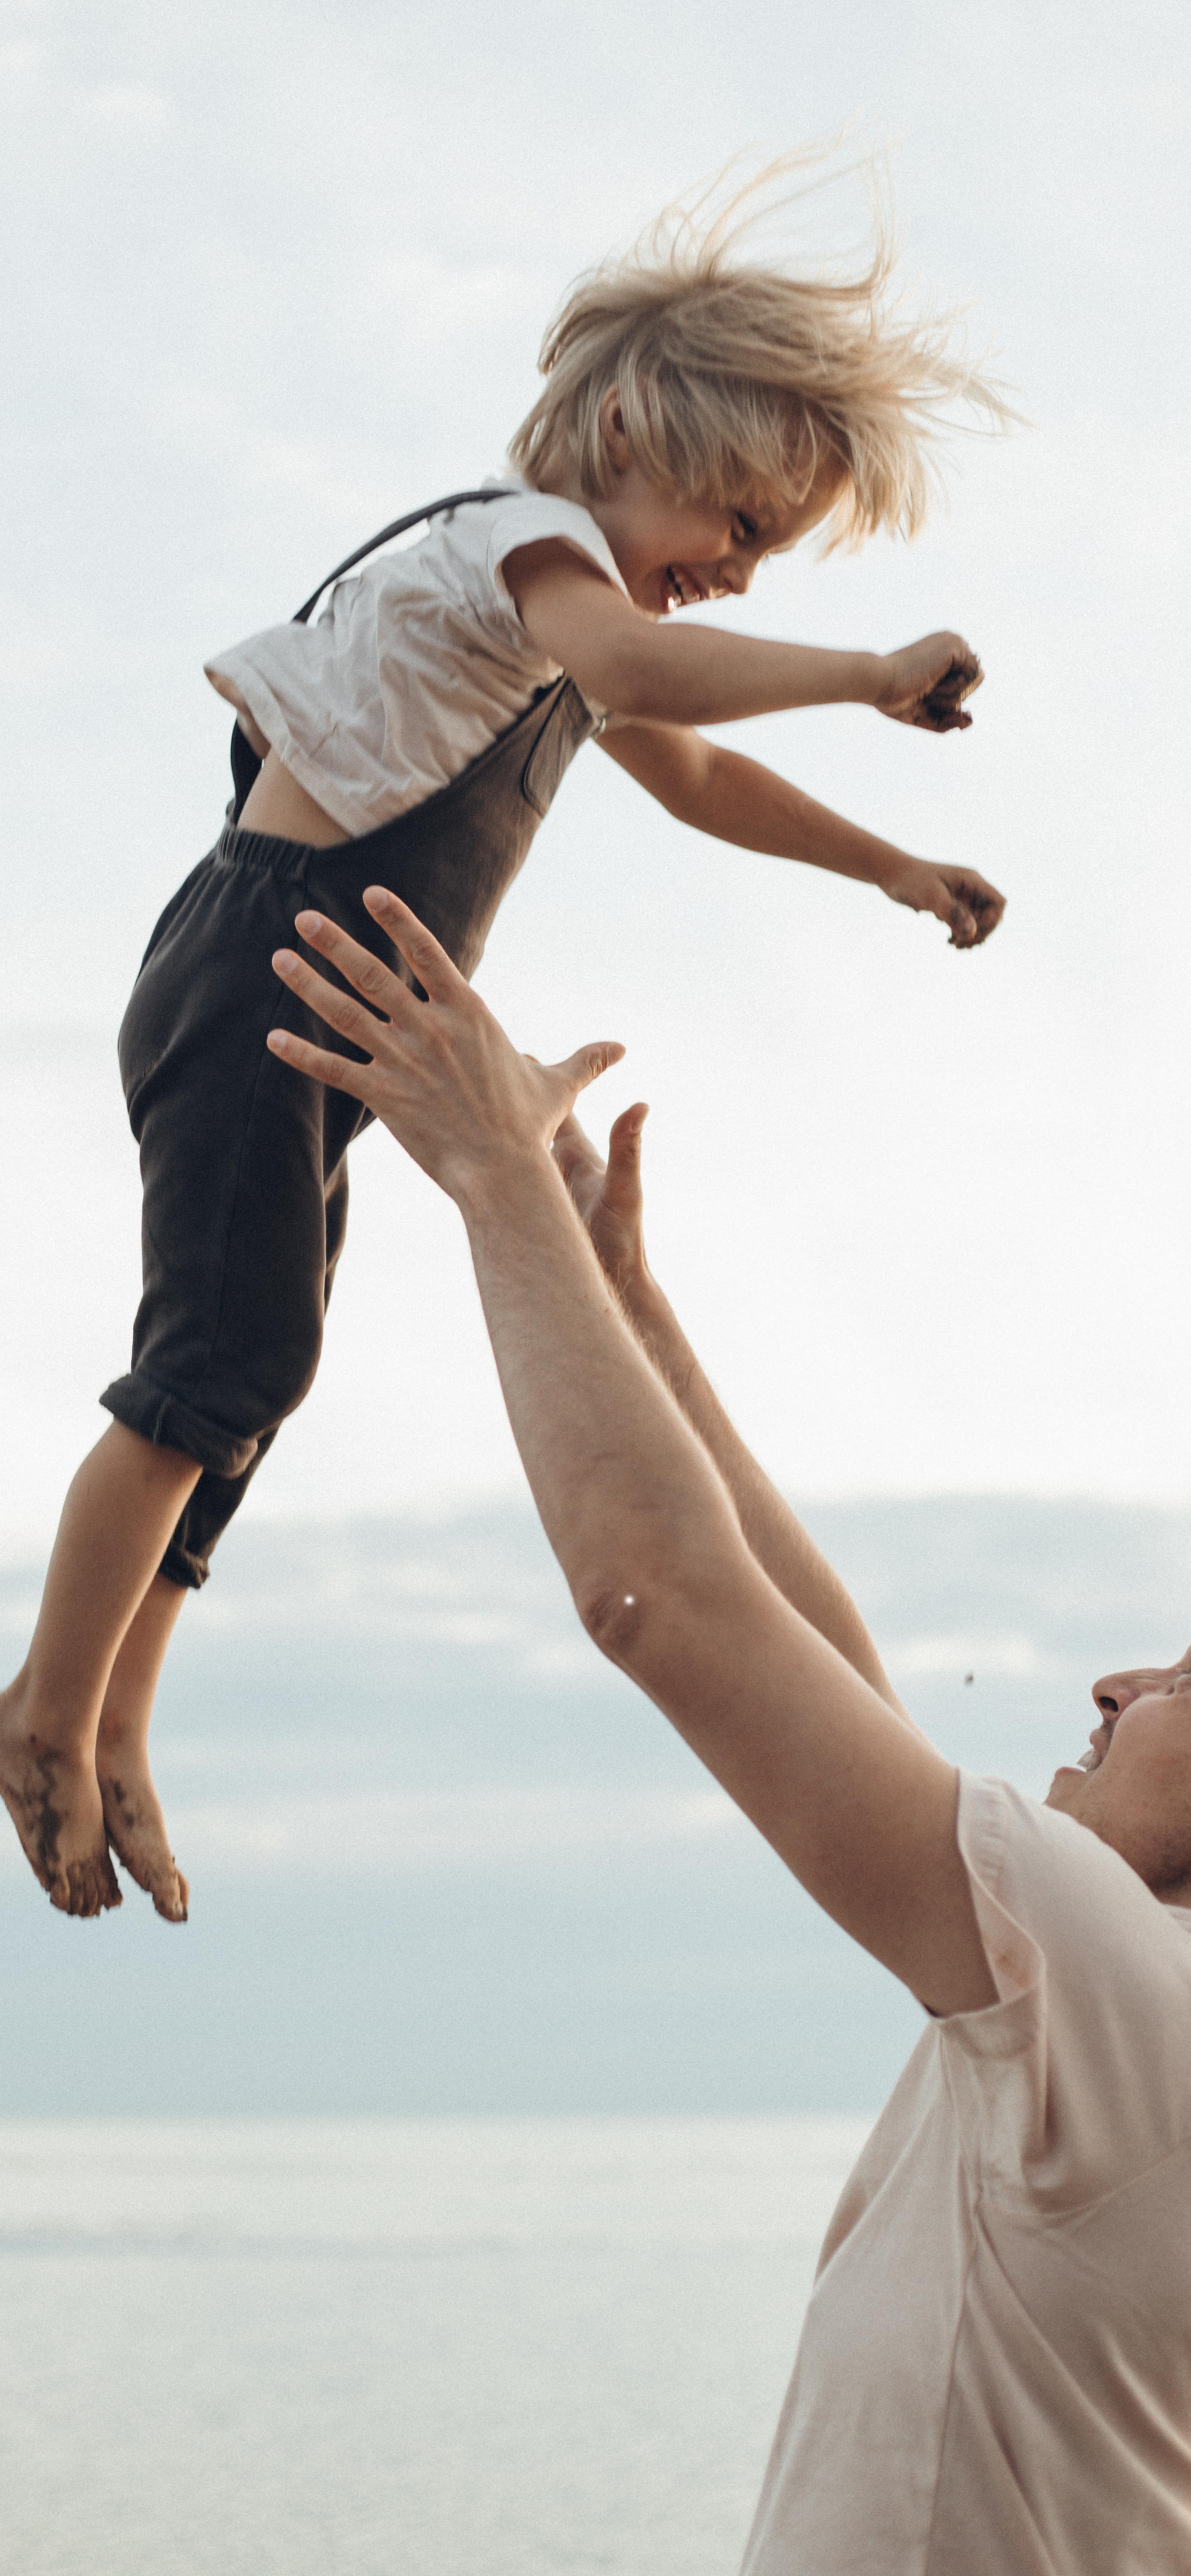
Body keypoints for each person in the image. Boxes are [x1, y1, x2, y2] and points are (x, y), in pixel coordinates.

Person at [0, 162, 1011, 1922]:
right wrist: (859, 669)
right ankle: (39, 1707)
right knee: (213, 1362)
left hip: (319, 1008)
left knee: (257, 1375)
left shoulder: (569, 632)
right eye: (736, 524)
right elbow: (646, 672)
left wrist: (892, 864)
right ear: (618, 422)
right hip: (260, 972)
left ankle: (121, 1715)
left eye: (767, 558)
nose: (733, 574)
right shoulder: (527, 552)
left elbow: (695, 774)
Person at [268, 885, 1191, 2573]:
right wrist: (622, 1308)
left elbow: (661, 1603)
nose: (1117, 1685)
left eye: (1183, 1684)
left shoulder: (1131, 2000)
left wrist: (487, 1179)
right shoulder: (1107, 2000)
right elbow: (832, 1692)